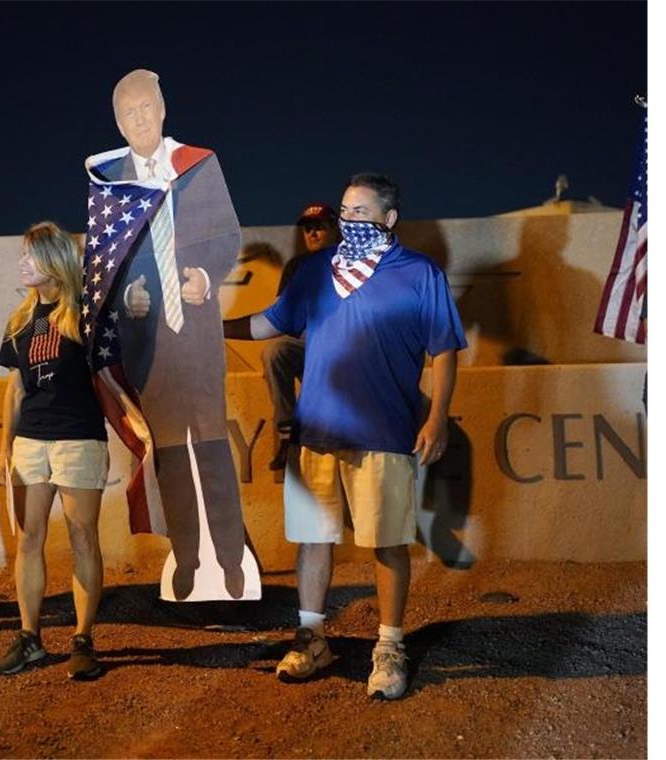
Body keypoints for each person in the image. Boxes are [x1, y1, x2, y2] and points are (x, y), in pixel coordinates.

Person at [224, 173, 466, 699]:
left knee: (386, 542)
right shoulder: (314, 272)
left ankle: (389, 645)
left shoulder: (420, 274)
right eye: (345, 211)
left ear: (389, 219)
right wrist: (213, 326)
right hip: (316, 431)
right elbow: (272, 323)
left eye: (361, 212)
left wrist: (437, 416)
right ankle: (312, 638)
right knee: (313, 538)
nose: (350, 220)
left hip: (382, 432)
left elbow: (444, 349)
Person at [85, 68, 256, 601]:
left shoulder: (198, 165)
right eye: (127, 113)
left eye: (145, 109)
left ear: (162, 110)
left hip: (196, 336)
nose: (138, 120)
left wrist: (205, 275)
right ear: (118, 121)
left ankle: (231, 561)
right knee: (170, 456)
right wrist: (124, 297)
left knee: (210, 447)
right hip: (146, 343)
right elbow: (104, 257)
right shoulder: (110, 183)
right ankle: (187, 558)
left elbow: (226, 234)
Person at [0, 222, 109, 680]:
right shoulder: (20, 320)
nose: (22, 263)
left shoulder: (85, 315)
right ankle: (30, 637)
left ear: (55, 262)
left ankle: (83, 638)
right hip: (31, 443)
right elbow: (15, 391)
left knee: (83, 538)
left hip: (79, 439)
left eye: (31, 255)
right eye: (23, 255)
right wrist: (4, 450)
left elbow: (119, 367)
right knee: (29, 539)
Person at [262, 202, 335, 470]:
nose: (312, 234)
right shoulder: (297, 266)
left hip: (344, 346)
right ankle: (286, 435)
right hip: (307, 341)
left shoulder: (351, 261)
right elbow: (283, 314)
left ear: (335, 230)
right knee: (274, 351)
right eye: (308, 229)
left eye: (319, 228)